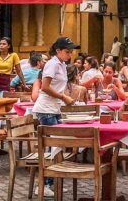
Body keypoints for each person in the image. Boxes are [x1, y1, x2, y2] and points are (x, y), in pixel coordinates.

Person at [32, 36, 79, 197]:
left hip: (54, 108)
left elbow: (58, 86)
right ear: (58, 51)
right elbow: (44, 87)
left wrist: (65, 98)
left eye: (71, 51)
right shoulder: (52, 64)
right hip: (46, 109)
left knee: (58, 145)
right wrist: (63, 97)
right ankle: (43, 184)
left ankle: (54, 180)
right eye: (67, 51)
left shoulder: (62, 64)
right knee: (52, 146)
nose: (70, 54)